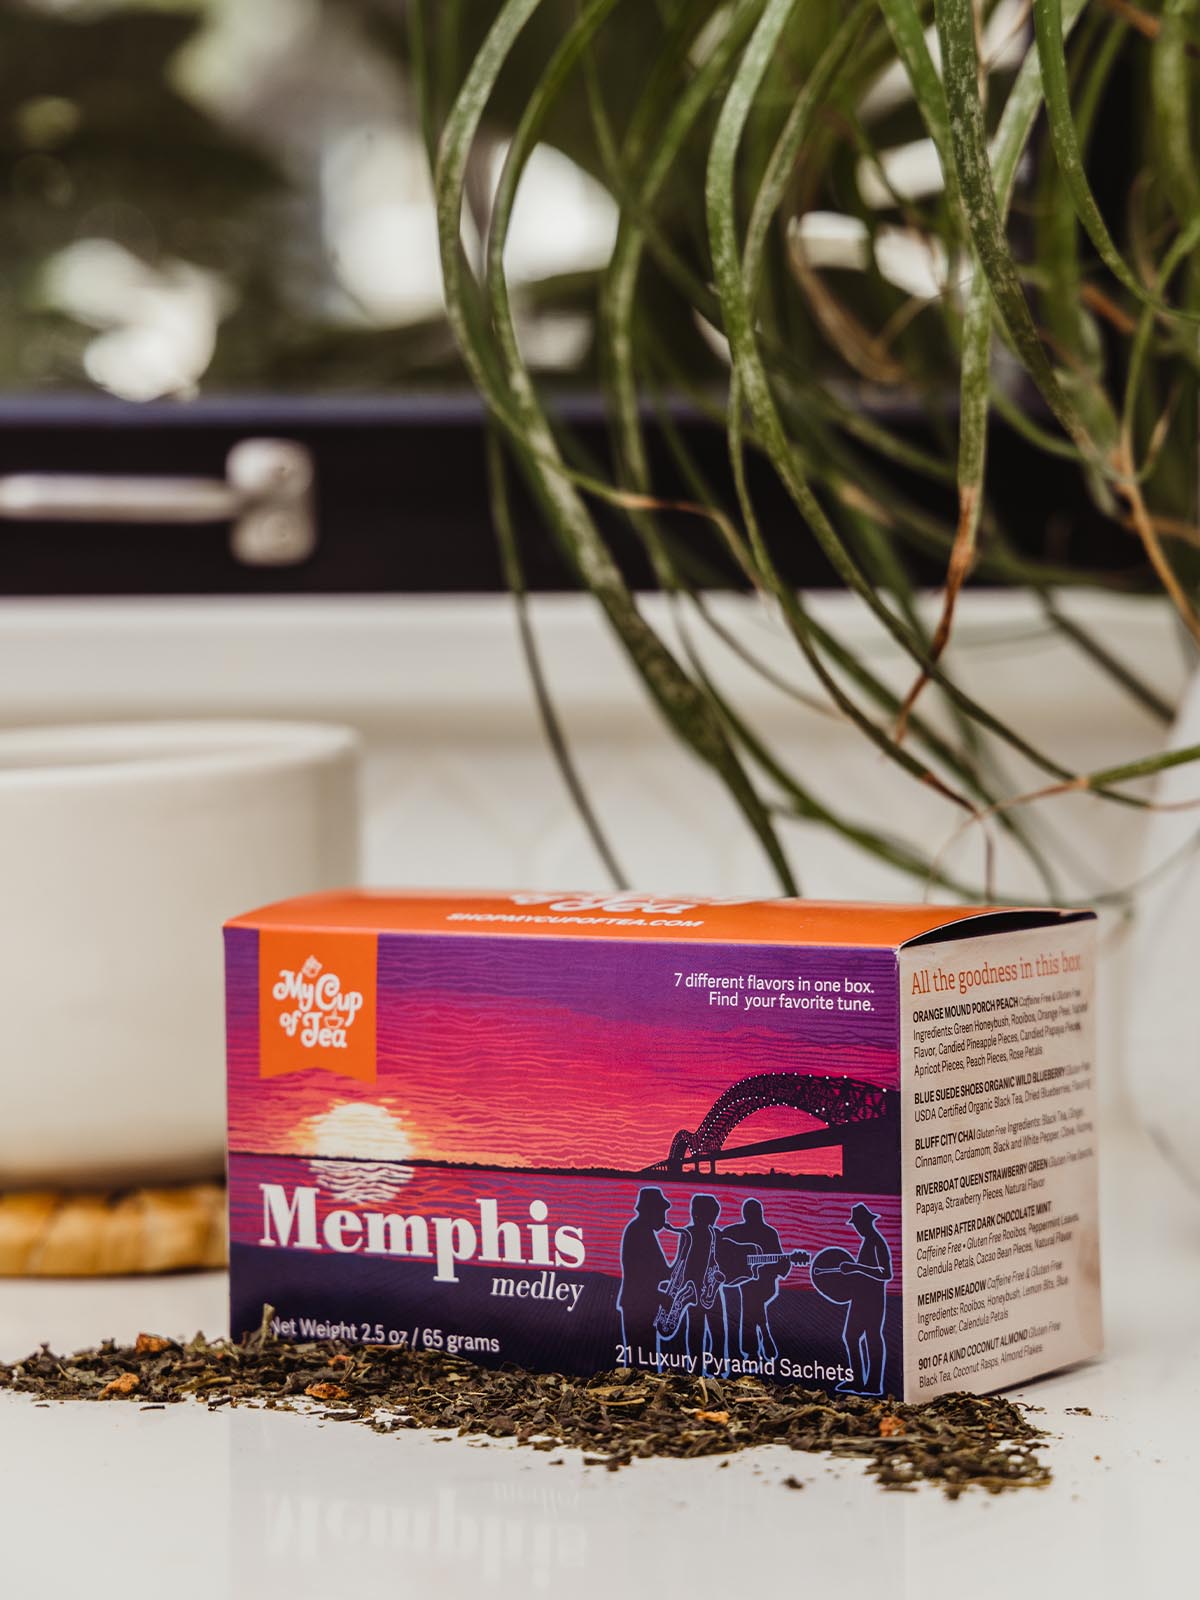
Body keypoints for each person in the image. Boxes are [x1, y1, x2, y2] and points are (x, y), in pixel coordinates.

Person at [658, 1193, 727, 1369]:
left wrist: (715, 1271)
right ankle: (696, 1368)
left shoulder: (711, 1233)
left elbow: (711, 1259)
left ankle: (716, 1366)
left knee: (716, 1327)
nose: (713, 1219)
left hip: (707, 1286)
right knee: (696, 1328)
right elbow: (680, 1260)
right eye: (712, 1215)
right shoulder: (689, 1233)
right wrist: (672, 1284)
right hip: (691, 1286)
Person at [720, 1198, 792, 1362]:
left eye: (754, 1213)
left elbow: (779, 1259)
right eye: (749, 1213)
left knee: (752, 1303)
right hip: (745, 1280)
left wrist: (784, 1262)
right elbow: (719, 1242)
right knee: (752, 1302)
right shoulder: (735, 1230)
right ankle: (762, 1338)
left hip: (766, 1284)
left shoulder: (769, 1233)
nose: (751, 1217)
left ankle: (752, 1350)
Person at [836, 1202, 893, 1395]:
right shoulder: (867, 1241)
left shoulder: (877, 1242)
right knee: (851, 1336)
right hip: (860, 1299)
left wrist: (856, 1268)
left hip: (873, 1299)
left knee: (872, 1337)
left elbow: (886, 1274)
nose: (856, 1228)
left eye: (858, 1224)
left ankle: (875, 1384)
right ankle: (858, 1380)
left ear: (866, 1222)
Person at [617, 1187, 674, 1362]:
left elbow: (662, 1272)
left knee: (644, 1358)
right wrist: (660, 1297)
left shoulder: (643, 1231)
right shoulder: (639, 1232)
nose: (664, 1217)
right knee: (641, 1360)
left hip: (641, 1304)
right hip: (638, 1305)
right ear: (651, 1210)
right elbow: (639, 1276)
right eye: (661, 1211)